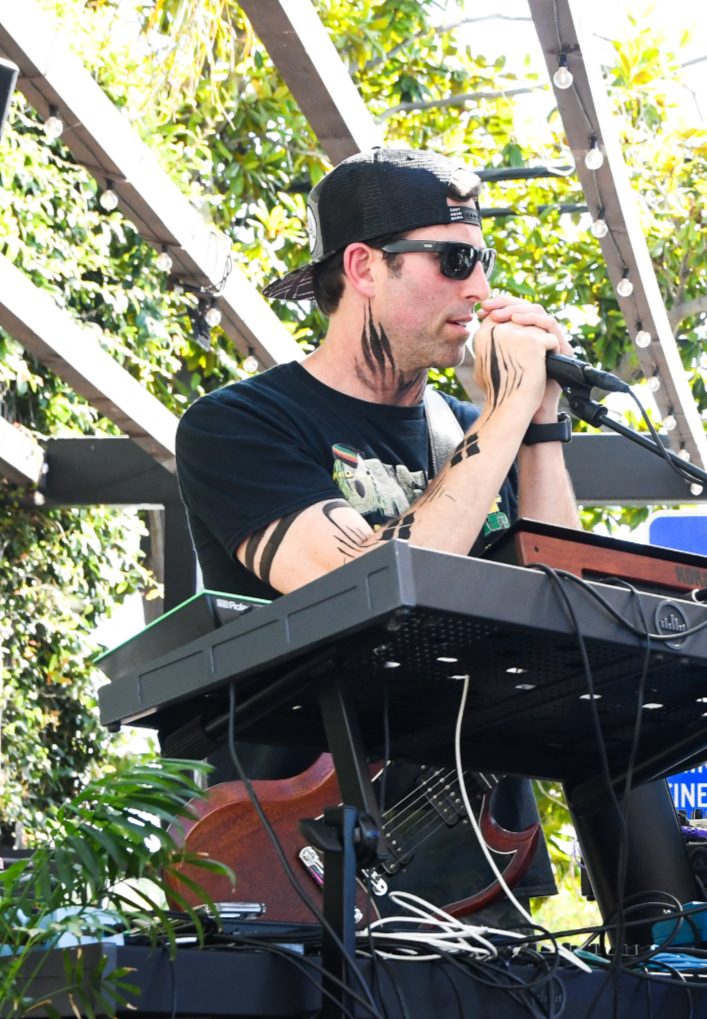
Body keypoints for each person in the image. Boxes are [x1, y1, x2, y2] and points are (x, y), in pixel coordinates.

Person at [176, 148, 582, 921]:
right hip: (299, 858)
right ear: (363, 267)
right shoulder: (240, 424)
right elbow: (362, 584)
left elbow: (569, 602)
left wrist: (538, 424)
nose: (480, 288)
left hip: (475, 863)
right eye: (455, 259)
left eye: (484, 260)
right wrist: (504, 413)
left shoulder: (476, 434)